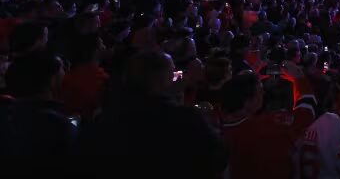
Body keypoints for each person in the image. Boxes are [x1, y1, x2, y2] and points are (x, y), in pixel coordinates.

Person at [77, 50, 228, 177]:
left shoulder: (105, 117)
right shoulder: (184, 118)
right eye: (172, 73)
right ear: (159, 80)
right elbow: (217, 159)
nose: (176, 76)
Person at [0, 49, 77, 176]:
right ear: (52, 80)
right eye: (62, 70)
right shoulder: (59, 127)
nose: (66, 74)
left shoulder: (6, 114)